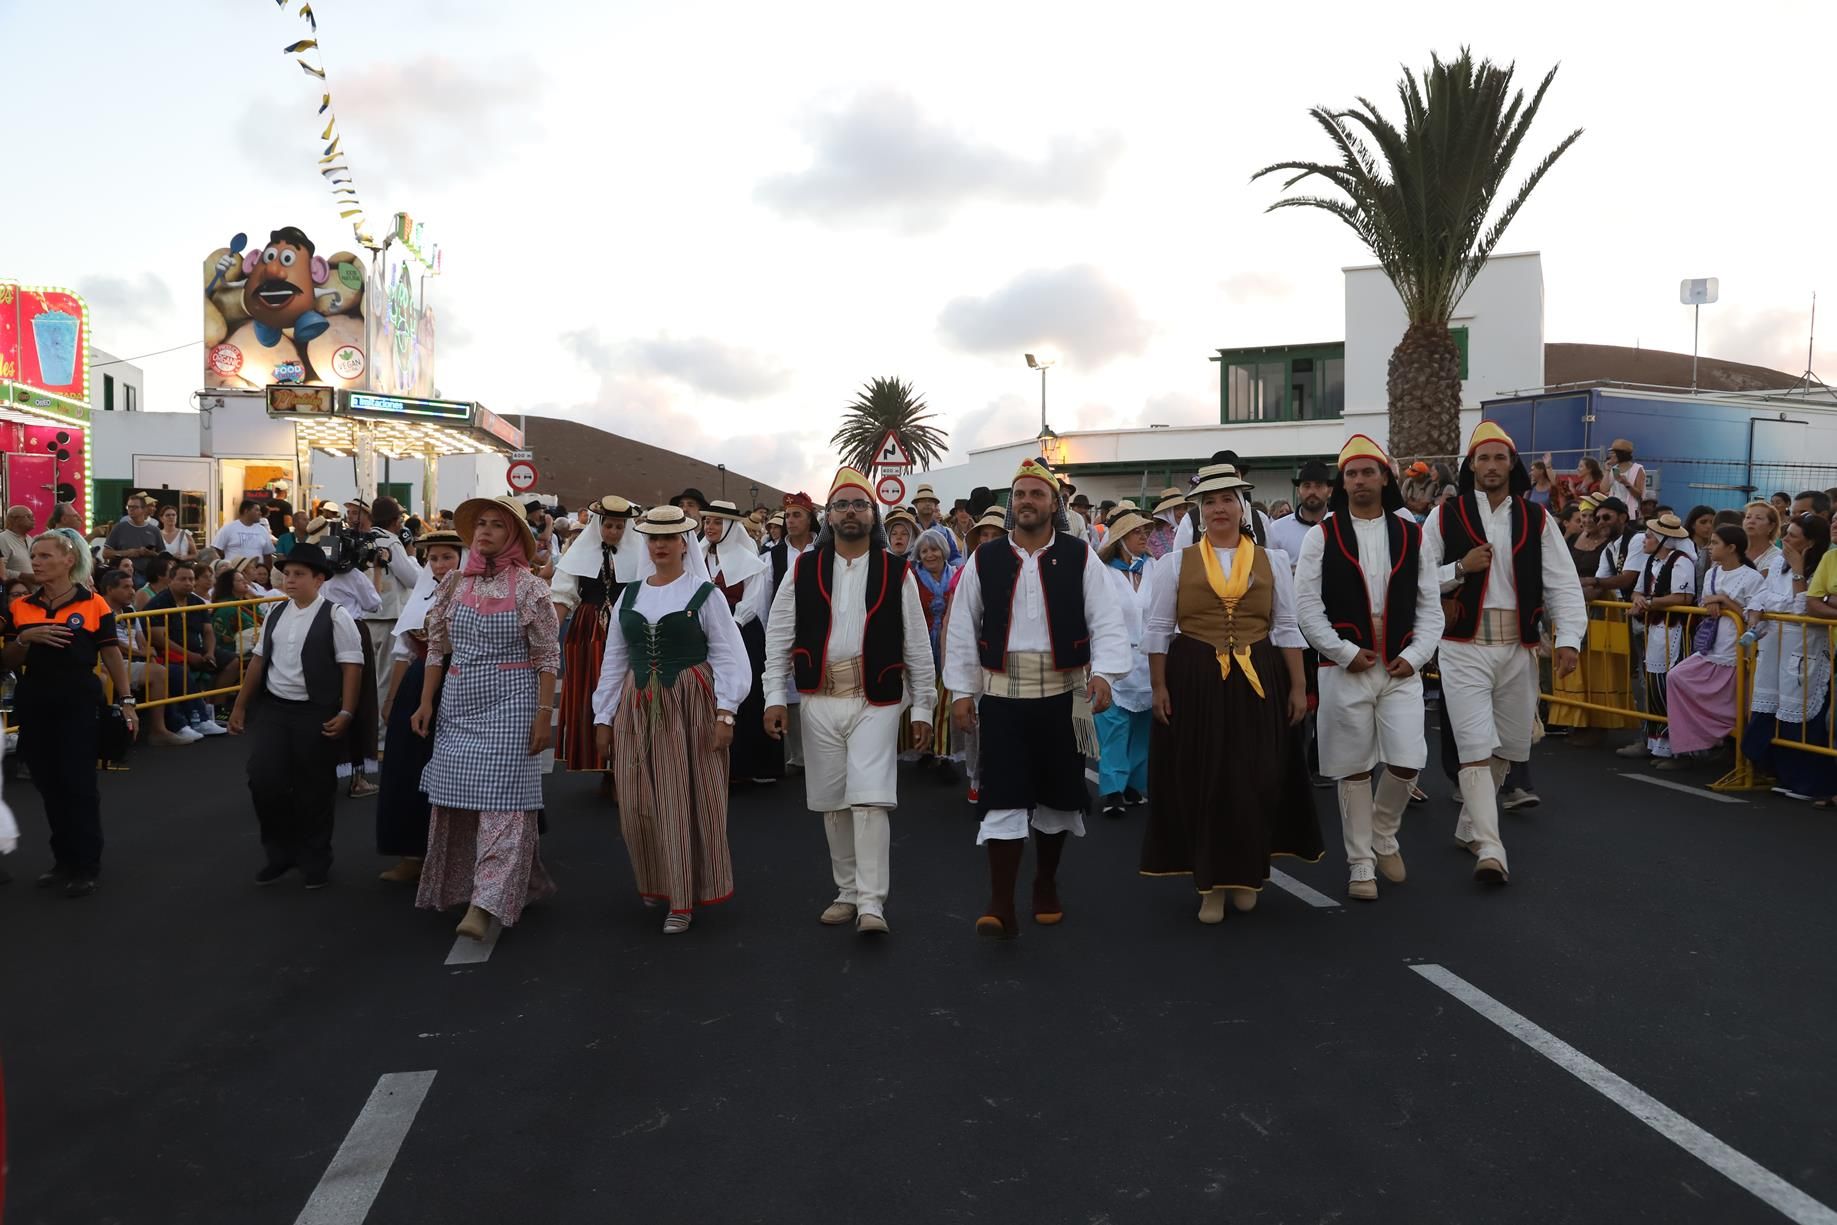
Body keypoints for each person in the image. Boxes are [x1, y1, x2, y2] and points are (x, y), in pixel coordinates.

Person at [946, 459, 1130, 939]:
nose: (1026, 501)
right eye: (1019, 494)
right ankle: (1000, 902)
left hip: (1063, 694)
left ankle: (1045, 883)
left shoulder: (1079, 555)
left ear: (1054, 504)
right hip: (1002, 697)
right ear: (1011, 504)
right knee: (1002, 797)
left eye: (1036, 494)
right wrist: (961, 691)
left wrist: (1106, 673)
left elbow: (1107, 617)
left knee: (1057, 797)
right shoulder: (984, 559)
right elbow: (963, 626)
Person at [1139, 463, 1322, 921]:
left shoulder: (1272, 560)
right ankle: (1210, 885)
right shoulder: (1174, 564)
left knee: (1255, 775)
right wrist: (1159, 685)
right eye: (1209, 501)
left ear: (1242, 508)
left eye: (1227, 500)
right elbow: (1159, 630)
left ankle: (1247, 873)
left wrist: (1298, 687)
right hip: (1196, 677)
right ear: (1199, 513)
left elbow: (1285, 627)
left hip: (1258, 677)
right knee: (1206, 776)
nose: (1218, 508)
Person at [762, 467, 935, 936]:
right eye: (841, 505)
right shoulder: (803, 569)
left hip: (876, 700)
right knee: (833, 802)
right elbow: (778, 636)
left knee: (871, 800)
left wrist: (923, 706)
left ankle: (872, 903)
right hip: (819, 699)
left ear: (872, 514)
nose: (850, 513)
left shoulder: (897, 571)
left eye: (859, 505)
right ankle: (846, 891)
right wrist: (774, 696)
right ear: (829, 516)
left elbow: (917, 644)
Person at [1422, 423, 1586, 885]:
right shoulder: (1444, 516)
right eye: (1482, 458)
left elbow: (1561, 582)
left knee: (1510, 746)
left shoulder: (1537, 519)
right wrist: (1458, 568)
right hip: (1463, 648)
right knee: (1474, 745)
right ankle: (1491, 849)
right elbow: (1414, 580)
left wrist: (1570, 637)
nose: (1491, 466)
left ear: (1511, 464)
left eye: (1499, 458)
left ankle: (1472, 825)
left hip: (1519, 647)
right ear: (1470, 465)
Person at [1294, 436, 1444, 901]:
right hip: (1345, 668)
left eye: (1368, 472)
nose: (1360, 481)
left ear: (1385, 477)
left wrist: (1417, 656)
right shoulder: (1321, 536)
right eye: (1352, 474)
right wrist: (1342, 652)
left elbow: (1430, 607)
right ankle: (1361, 863)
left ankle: (1383, 831)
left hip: (1400, 665)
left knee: (1407, 760)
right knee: (1353, 767)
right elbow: (1306, 608)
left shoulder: (1412, 534)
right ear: (1344, 482)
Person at [592, 506, 749, 933]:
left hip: (690, 704)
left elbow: (728, 656)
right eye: (653, 539)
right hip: (638, 702)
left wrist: (726, 712)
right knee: (638, 802)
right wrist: (603, 716)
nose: (660, 545)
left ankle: (682, 899)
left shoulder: (705, 594)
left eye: (669, 538)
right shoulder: (630, 595)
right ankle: (656, 880)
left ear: (684, 543)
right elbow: (614, 659)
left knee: (682, 801)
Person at [411, 497, 561, 941]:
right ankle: (523, 883)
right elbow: (437, 648)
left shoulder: (531, 588)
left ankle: (485, 903)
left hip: (512, 698)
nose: (486, 532)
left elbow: (548, 656)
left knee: (505, 801)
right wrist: (425, 702)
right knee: (459, 800)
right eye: (481, 525)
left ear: (514, 536)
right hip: (459, 700)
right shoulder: (454, 584)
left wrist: (543, 716)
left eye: (497, 525)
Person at [2, 529, 137, 896]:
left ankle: (86, 864)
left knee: (79, 785)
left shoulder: (94, 604)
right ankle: (62, 860)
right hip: (35, 701)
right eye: (35, 555)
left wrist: (127, 701)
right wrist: (24, 640)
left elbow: (111, 654)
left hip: (78, 701)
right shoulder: (22, 606)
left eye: (45, 556)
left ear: (69, 560)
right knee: (49, 785)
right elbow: (8, 660)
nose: (37, 562)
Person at [226, 543, 365, 888]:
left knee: (314, 788)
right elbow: (258, 662)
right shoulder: (275, 613)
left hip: (314, 710)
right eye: (287, 574)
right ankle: (281, 852)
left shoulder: (335, 615)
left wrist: (346, 710)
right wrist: (240, 706)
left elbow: (352, 665)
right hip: (275, 709)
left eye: (299, 574)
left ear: (319, 579)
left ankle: (315, 858)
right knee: (263, 779)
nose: (290, 580)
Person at [376, 529, 465, 884]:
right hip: (418, 686)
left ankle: (464, 858)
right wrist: (392, 699)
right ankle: (412, 854)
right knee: (407, 769)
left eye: (448, 557)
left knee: (464, 773)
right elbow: (404, 651)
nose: (440, 565)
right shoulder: (421, 596)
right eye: (434, 558)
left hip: (463, 683)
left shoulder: (476, 594)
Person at [1744, 514, 1835, 802]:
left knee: (1801, 712)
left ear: (1810, 542)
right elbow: (1764, 596)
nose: (1786, 540)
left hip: (1805, 648)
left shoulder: (1817, 565)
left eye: (1794, 536)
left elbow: (1802, 607)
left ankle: (1807, 781)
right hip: (1775, 646)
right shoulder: (1776, 565)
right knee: (1772, 708)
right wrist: (1760, 610)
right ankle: (1778, 771)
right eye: (1787, 534)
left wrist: (1797, 570)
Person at [552, 495, 639, 776]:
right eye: (609, 526)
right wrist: (549, 637)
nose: (613, 531)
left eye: (619, 526)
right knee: (589, 689)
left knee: (627, 691)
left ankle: (624, 765)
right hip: (587, 628)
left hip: (626, 625)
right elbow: (563, 595)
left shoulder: (638, 554)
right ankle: (601, 765)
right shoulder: (579, 553)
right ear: (598, 525)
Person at [1664, 525, 1765, 760]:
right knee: (1676, 677)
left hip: (1736, 652)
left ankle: (1726, 745)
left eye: (1716, 543)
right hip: (1710, 647)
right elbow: (1704, 602)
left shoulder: (1752, 578)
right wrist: (1712, 604)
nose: (1710, 547)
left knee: (1739, 706)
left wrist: (1725, 601)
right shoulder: (1712, 572)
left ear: (1732, 548)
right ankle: (1699, 740)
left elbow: (1755, 621)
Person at [701, 499, 781, 785]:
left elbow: (753, 599)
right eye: (707, 521)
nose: (710, 527)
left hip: (741, 633)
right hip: (704, 635)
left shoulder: (748, 560)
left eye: (716, 522)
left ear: (730, 526)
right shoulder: (697, 555)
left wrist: (730, 625)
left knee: (745, 697)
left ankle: (745, 766)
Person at [308, 509, 384, 794]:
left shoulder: (318, 576)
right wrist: (375, 571)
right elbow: (374, 603)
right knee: (361, 701)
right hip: (353, 632)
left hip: (322, 631)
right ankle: (358, 777)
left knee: (326, 697)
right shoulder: (354, 576)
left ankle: (321, 771)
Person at [1619, 513, 1695, 763]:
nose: (1645, 540)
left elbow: (1683, 598)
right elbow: (1638, 591)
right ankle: (1657, 744)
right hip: (1655, 631)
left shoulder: (1681, 562)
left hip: (1674, 631)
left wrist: (1650, 602)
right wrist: (1639, 599)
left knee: (1669, 686)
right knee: (1655, 685)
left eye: (1650, 536)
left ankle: (1676, 747)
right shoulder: (1651, 561)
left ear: (1663, 540)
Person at [1093, 510, 1154, 816]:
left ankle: (1133, 784)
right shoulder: (1103, 572)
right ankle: (1113, 789)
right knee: (1114, 725)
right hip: (1114, 659)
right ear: (1120, 539)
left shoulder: (1154, 568)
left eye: (1146, 531)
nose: (1144, 536)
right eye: (1137, 532)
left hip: (1147, 661)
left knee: (1142, 727)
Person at [765, 492, 819, 771]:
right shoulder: (773, 556)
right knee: (790, 694)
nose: (791, 520)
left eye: (797, 514)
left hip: (818, 628)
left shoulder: (823, 551)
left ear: (810, 518)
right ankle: (798, 755)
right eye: (788, 515)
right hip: (788, 629)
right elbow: (767, 599)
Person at [144, 560, 226, 740]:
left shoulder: (196, 601)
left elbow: (208, 631)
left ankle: (218, 710)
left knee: (231, 660)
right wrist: (189, 655)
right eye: (183, 579)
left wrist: (210, 652)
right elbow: (159, 639)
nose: (188, 583)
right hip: (168, 653)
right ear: (171, 580)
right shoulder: (159, 603)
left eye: (191, 579)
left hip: (197, 650)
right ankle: (196, 719)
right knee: (179, 671)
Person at [910, 526, 962, 779]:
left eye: (933, 549)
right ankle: (924, 748)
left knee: (945, 702)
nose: (930, 555)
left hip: (948, 643)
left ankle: (943, 755)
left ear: (943, 551)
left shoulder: (956, 575)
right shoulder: (911, 577)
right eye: (924, 551)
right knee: (922, 698)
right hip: (920, 644)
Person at [1265, 461, 1331, 563]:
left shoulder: (1341, 526)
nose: (1312, 491)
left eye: (1318, 486)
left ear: (1330, 491)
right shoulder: (1277, 529)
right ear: (1298, 491)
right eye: (1306, 486)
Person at [103, 493, 164, 584]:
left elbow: (163, 556)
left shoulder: (154, 530)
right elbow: (106, 553)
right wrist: (127, 553)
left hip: (148, 576)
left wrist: (150, 553)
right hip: (124, 577)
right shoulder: (119, 528)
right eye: (129, 507)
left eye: (135, 507)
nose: (131, 509)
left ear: (143, 509)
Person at [210, 499, 275, 561]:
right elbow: (215, 549)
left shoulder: (262, 530)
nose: (260, 513)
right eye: (257, 510)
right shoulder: (228, 529)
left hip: (256, 571)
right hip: (234, 571)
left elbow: (267, 554)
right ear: (246, 511)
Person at [1146, 490, 1186, 559]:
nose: (1183, 512)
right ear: (1168, 511)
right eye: (1178, 508)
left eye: (1185, 508)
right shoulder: (1153, 534)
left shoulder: (1186, 529)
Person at [0, 507, 34, 580]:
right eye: (28, 516)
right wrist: (23, 576)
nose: (33, 519)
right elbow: (1, 570)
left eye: (32, 516)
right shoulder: (2, 539)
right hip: (15, 590)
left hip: (34, 590)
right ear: (15, 520)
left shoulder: (30, 539)